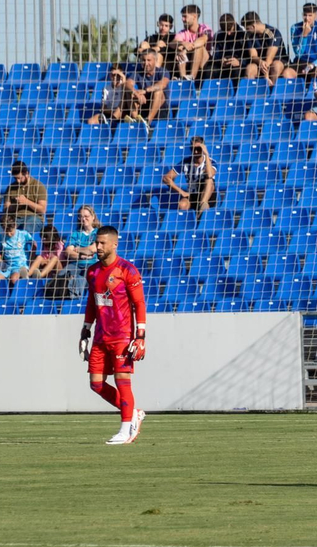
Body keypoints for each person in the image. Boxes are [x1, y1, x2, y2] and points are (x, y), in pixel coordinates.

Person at [79, 224, 147, 445]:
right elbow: (92, 302)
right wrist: (85, 331)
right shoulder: (92, 272)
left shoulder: (127, 270)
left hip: (122, 336)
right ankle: (133, 413)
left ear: (114, 244)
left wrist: (140, 336)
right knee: (96, 383)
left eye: (101, 243)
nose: (97, 247)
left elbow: (139, 303)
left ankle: (126, 429)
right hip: (100, 336)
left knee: (122, 381)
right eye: (96, 242)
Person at [163, 137, 216, 211]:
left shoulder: (211, 162)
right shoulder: (186, 162)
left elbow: (210, 175)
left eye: (199, 149)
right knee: (182, 205)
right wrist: (181, 192)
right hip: (193, 194)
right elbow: (166, 178)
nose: (196, 152)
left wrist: (206, 155)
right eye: (194, 149)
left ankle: (203, 204)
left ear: (203, 149)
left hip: (208, 195)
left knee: (209, 180)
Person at [240, 11, 294, 82]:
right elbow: (253, 55)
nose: (246, 31)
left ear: (253, 27)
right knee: (250, 68)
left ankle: (273, 88)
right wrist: (260, 61)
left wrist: (266, 76)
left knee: (276, 65)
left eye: (247, 28)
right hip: (261, 63)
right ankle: (251, 91)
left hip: (277, 61)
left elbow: (269, 58)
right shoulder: (249, 36)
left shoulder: (272, 33)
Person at [0, 160, 48, 227]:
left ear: (26, 174)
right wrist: (16, 205)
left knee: (26, 225)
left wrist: (27, 202)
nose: (18, 181)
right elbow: (5, 209)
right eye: (15, 178)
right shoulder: (11, 187)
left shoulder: (39, 186)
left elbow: (42, 210)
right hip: (15, 219)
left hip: (33, 218)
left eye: (20, 178)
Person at [0, 213, 36, 283]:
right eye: (6, 231)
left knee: (14, 279)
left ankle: (26, 276)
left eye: (11, 231)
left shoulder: (23, 234)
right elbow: (2, 251)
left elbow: (34, 244)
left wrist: (32, 257)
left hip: (19, 266)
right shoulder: (1, 237)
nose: (9, 234)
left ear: (15, 225)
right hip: (6, 266)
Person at [174, 4, 213, 82]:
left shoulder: (204, 28)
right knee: (180, 47)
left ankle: (192, 77)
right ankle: (183, 77)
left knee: (199, 47)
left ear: (194, 16)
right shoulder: (183, 32)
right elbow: (173, 42)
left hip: (205, 61)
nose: (182, 19)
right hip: (189, 60)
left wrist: (187, 49)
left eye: (185, 16)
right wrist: (183, 43)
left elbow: (203, 39)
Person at [289, 2, 317, 74]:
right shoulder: (295, 28)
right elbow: (298, 53)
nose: (307, 19)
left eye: (310, 15)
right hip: (300, 62)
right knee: (287, 73)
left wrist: (312, 65)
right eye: (305, 15)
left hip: (316, 63)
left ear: (315, 16)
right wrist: (304, 35)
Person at [133, 48, 171, 123]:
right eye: (144, 60)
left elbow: (163, 84)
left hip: (161, 108)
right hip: (144, 105)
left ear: (155, 60)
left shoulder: (162, 71)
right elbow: (128, 83)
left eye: (149, 60)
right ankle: (135, 119)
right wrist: (136, 93)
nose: (146, 63)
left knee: (158, 92)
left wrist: (145, 90)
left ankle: (148, 121)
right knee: (130, 92)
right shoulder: (138, 72)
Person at [207, 13, 246, 80]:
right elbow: (215, 54)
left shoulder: (243, 33)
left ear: (234, 23)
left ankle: (235, 90)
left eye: (230, 29)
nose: (228, 33)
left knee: (235, 71)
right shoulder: (218, 35)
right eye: (225, 31)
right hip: (223, 65)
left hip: (239, 64)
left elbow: (249, 54)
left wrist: (239, 62)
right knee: (209, 70)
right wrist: (220, 60)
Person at [63, 204, 101, 272]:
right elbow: (68, 252)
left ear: (93, 217)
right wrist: (81, 256)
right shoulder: (75, 233)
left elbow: (93, 249)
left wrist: (77, 249)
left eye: (86, 216)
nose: (83, 219)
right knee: (63, 274)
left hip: (93, 263)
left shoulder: (99, 232)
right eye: (81, 216)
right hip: (76, 263)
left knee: (84, 278)